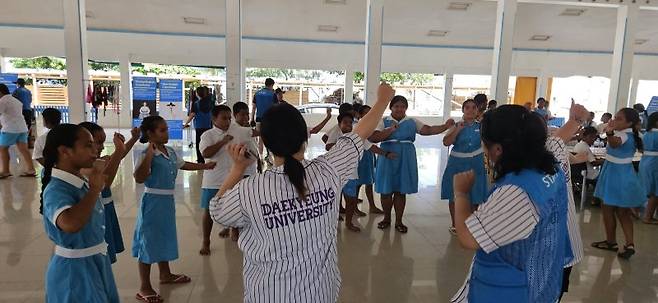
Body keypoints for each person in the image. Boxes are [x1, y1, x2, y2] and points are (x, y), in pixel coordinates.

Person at [208, 82, 394, 302]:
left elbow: (217, 210)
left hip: (269, 295)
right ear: (304, 139)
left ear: (265, 142)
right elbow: (359, 134)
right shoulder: (329, 170)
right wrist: (383, 101)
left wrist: (237, 169)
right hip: (320, 294)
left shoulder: (249, 191)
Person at [450, 105, 571, 303]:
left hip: (509, 289)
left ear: (497, 149)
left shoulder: (518, 192)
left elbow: (468, 238)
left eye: (485, 144)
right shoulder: (550, 168)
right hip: (539, 273)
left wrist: (461, 193)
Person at [132, 116, 216, 302]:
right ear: (150, 134)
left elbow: (183, 165)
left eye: (166, 128)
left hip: (167, 202)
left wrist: (205, 166)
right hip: (152, 201)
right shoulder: (145, 152)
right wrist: (149, 155)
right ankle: (144, 286)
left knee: (163, 237)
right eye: (162, 130)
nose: (167, 132)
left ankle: (165, 274)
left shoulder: (169, 151)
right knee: (148, 241)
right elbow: (139, 177)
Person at [41, 123, 119, 302]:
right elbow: (70, 224)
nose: (95, 151)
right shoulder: (56, 189)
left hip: (95, 262)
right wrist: (93, 191)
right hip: (74, 271)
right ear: (65, 151)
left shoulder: (79, 180)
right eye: (88, 146)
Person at [369, 95, 455, 233]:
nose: (399, 109)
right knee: (386, 190)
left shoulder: (411, 121)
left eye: (402, 106)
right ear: (391, 107)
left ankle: (398, 221)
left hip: (405, 157)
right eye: (396, 106)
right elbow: (373, 137)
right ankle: (386, 218)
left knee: (400, 190)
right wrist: (390, 130)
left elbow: (428, 130)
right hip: (387, 158)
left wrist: (445, 126)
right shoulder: (384, 121)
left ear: (406, 108)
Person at [199, 105, 258, 255]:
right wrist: (223, 141)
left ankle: (234, 230)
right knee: (208, 211)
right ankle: (206, 241)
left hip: (231, 178)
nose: (227, 121)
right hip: (213, 180)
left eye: (229, 118)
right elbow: (206, 153)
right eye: (224, 118)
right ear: (214, 119)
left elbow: (253, 132)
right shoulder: (208, 135)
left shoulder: (236, 131)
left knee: (235, 206)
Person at [79, 122, 140, 264]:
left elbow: (118, 156)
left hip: (106, 209)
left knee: (106, 253)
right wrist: (118, 150)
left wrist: (133, 139)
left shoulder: (98, 161)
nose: (101, 147)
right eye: (97, 143)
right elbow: (104, 183)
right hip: (96, 214)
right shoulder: (84, 168)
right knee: (100, 255)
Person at [326, 112, 395, 231]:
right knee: (334, 199)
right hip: (336, 174)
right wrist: (342, 146)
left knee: (351, 200)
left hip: (352, 174)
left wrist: (386, 154)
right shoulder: (336, 134)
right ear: (339, 124)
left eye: (350, 123)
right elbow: (328, 146)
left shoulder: (357, 137)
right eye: (345, 123)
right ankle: (333, 220)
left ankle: (348, 223)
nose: (348, 125)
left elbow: (371, 147)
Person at [591, 108, 645, 259]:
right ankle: (629, 243)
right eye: (615, 117)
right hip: (625, 173)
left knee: (607, 208)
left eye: (619, 119)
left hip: (615, 174)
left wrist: (609, 132)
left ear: (629, 123)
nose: (615, 120)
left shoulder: (622, 134)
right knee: (623, 212)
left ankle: (611, 241)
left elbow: (614, 144)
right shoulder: (634, 134)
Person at [441, 99, 487, 235]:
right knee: (454, 194)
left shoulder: (482, 127)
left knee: (476, 194)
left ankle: (472, 224)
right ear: (463, 110)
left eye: (474, 108)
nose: (471, 110)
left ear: (477, 111)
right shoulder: (456, 125)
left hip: (476, 163)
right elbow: (446, 142)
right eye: (467, 108)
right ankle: (455, 224)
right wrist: (457, 130)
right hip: (457, 163)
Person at [0, 84, 36, 178]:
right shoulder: (15, 100)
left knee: (3, 148)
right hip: (22, 127)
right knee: (23, 149)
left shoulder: (3, 101)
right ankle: (31, 169)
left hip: (10, 128)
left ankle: (5, 171)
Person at [355, 105, 384, 214]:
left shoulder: (373, 125)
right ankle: (354, 207)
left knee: (369, 181)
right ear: (360, 115)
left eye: (370, 112)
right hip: (361, 155)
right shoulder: (358, 125)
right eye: (366, 113)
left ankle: (372, 206)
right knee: (358, 182)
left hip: (370, 154)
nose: (369, 115)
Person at [184, 86, 214, 163]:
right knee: (208, 142)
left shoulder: (197, 104)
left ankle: (200, 159)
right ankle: (208, 158)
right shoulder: (210, 102)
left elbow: (192, 115)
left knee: (199, 143)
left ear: (197, 93)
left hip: (199, 126)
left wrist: (185, 124)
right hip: (208, 125)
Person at [639, 112, 658, 224]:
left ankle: (640, 212)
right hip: (655, 163)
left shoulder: (646, 134)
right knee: (655, 192)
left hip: (645, 161)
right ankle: (647, 217)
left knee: (648, 189)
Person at [251, 78, 277, 155]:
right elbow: (276, 108)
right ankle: (270, 156)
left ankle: (260, 157)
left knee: (260, 139)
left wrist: (252, 119)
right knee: (270, 138)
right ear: (272, 85)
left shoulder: (257, 93)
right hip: (269, 120)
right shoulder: (273, 94)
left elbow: (254, 107)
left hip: (259, 119)